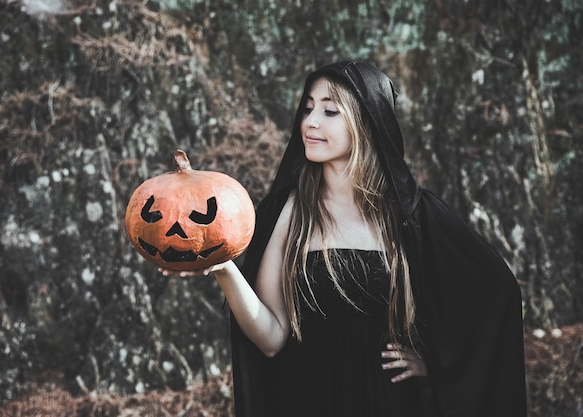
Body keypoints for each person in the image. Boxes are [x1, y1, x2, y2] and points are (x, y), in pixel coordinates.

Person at [160, 61, 527, 417]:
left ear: (367, 121)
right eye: (307, 109)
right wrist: (224, 268)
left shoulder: (412, 215)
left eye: (330, 111)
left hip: (389, 403)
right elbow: (271, 339)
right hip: (306, 400)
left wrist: (436, 363)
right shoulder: (288, 210)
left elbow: (498, 295)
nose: (310, 122)